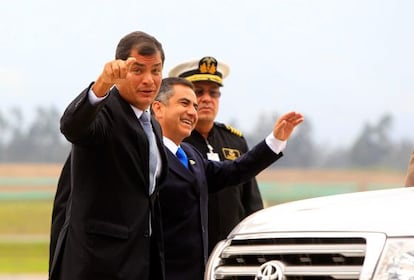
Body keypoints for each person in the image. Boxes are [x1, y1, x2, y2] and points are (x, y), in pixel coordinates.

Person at [151, 77, 304, 280]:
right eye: (184, 103)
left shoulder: (190, 154)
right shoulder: (148, 154)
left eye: (194, 106)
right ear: (158, 108)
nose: (192, 112)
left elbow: (234, 171)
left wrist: (275, 142)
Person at [48, 31, 169, 280]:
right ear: (121, 70)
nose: (149, 80)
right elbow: (72, 126)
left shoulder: (152, 125)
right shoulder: (104, 113)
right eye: (138, 71)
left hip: (138, 262)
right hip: (97, 264)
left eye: (156, 71)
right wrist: (101, 85)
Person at [169, 56, 264, 253]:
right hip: (188, 252)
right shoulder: (177, 141)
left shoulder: (234, 141)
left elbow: (251, 203)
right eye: (198, 92)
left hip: (233, 251)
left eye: (214, 93)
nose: (206, 99)